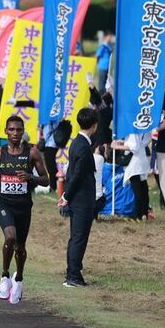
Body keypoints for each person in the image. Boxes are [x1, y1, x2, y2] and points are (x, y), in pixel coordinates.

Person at [0, 115, 49, 304]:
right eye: (11, 129)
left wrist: (31, 178)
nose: (15, 133)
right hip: (4, 203)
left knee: (20, 247)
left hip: (23, 206)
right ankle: (4, 275)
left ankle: (18, 279)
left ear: (23, 132)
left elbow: (46, 180)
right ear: (5, 131)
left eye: (19, 130)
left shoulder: (32, 153)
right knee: (10, 238)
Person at [60, 107, 99, 287]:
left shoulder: (77, 142)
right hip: (81, 199)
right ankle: (73, 275)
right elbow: (76, 175)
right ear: (94, 125)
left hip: (77, 198)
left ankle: (74, 273)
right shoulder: (83, 146)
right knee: (79, 238)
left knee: (76, 237)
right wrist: (66, 195)